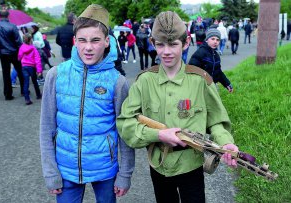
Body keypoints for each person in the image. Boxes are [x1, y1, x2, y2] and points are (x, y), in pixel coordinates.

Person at [117, 11, 238, 203]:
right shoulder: (144, 82)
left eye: (173, 44)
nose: (166, 51)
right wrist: (158, 135)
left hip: (191, 165)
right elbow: (125, 124)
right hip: (159, 165)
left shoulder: (200, 80)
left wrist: (225, 143)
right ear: (152, 42)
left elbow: (216, 121)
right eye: (160, 44)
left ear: (186, 42)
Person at [40, 4, 135, 203]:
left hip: (106, 170)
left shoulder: (118, 82)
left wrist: (125, 174)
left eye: (95, 40)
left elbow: (125, 132)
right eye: (82, 40)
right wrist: (50, 172)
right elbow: (46, 127)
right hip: (66, 169)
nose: (88, 47)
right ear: (75, 41)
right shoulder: (56, 75)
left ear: (107, 42)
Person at [0, 9, 24, 100]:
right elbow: (18, 42)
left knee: (5, 73)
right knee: (20, 71)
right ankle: (24, 90)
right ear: (8, 16)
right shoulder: (13, 26)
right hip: (14, 52)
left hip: (3, 53)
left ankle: (8, 94)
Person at [189, 29, 233, 93]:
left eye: (217, 40)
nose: (215, 42)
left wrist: (227, 84)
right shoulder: (200, 52)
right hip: (200, 87)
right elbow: (191, 69)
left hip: (213, 86)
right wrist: (205, 78)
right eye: (212, 39)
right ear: (207, 40)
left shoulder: (216, 55)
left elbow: (218, 72)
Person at [18, 33, 42, 105]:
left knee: (26, 82)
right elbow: (37, 60)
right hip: (32, 67)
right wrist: (39, 70)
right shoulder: (33, 48)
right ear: (31, 39)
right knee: (34, 81)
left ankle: (27, 99)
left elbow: (19, 57)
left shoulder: (21, 47)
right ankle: (38, 94)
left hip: (24, 67)